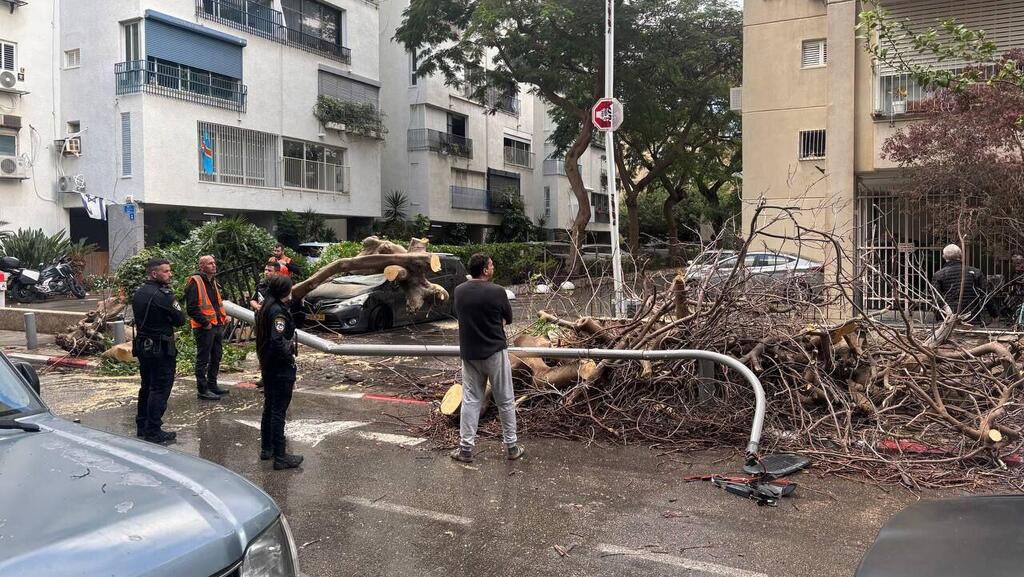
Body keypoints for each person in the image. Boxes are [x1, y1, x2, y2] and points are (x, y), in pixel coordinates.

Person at [450, 253, 524, 463]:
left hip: (470, 355)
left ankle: (465, 449)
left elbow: (461, 315)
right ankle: (512, 447)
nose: (493, 267)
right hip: (495, 352)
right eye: (491, 265)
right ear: (484, 270)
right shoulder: (497, 291)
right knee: (505, 400)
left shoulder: (459, 291)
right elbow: (508, 318)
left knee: (471, 400)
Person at [132, 258, 186, 444]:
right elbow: (180, 320)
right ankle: (153, 430)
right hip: (160, 349)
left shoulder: (139, 292)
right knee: (160, 388)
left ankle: (142, 425)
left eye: (169, 271)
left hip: (143, 347)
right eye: (166, 271)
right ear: (154, 274)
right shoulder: (164, 295)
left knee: (146, 385)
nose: (170, 274)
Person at [255, 274, 303, 470]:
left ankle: (267, 448)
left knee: (270, 407)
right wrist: (289, 358)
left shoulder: (267, 306)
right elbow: (277, 341)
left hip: (268, 364)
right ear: (285, 291)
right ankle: (281, 456)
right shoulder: (278, 313)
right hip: (279, 367)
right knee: (278, 411)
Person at [185, 255, 229, 401]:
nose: (214, 265)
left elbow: (216, 303)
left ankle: (212, 385)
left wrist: (222, 317)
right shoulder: (195, 282)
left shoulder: (213, 281)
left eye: (214, 263)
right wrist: (205, 323)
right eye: (210, 263)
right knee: (203, 359)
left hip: (216, 325)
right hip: (204, 327)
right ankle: (202, 390)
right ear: (202, 266)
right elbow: (191, 308)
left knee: (216, 356)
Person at [932, 244, 987, 319]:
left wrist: (940, 315)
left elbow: (937, 298)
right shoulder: (976, 272)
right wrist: (994, 314)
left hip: (949, 317)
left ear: (944, 257)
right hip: (972, 315)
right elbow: (985, 294)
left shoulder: (938, 275)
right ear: (961, 255)